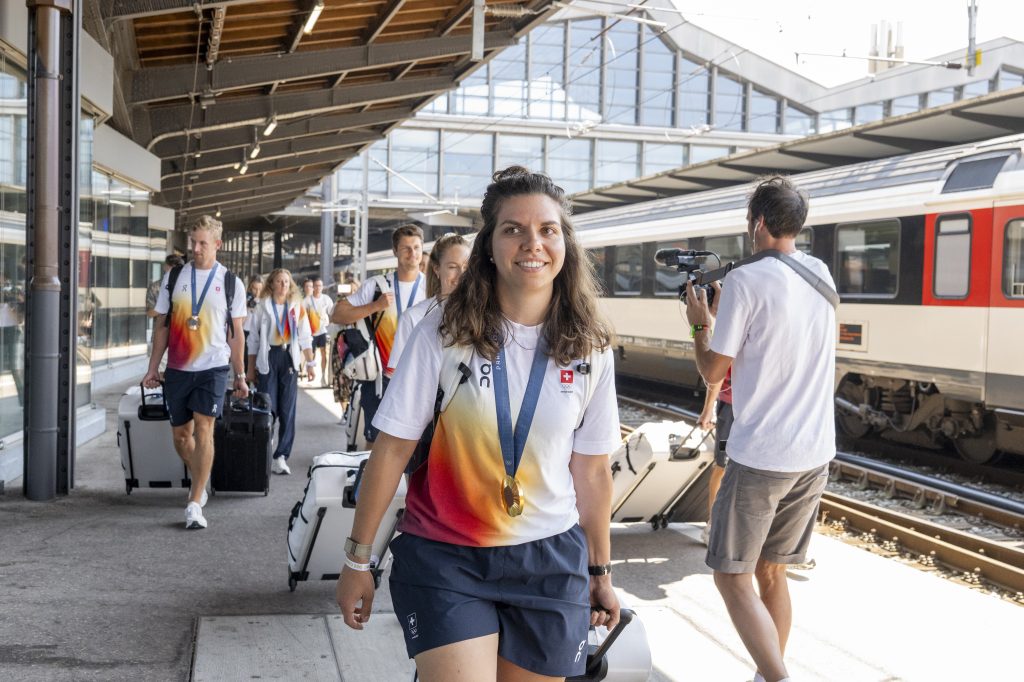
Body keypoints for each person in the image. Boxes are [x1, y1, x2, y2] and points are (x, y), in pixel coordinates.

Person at [335, 166, 622, 682]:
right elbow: (392, 450)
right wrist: (358, 560)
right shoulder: (443, 332)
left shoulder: (591, 348)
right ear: (489, 245)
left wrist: (599, 570)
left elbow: (593, 471)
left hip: (550, 562)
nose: (532, 243)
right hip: (449, 556)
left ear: (565, 244)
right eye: (513, 229)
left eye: (547, 230)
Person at [685, 175, 837, 682]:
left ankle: (777, 679)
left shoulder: (747, 282)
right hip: (814, 453)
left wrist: (699, 322)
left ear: (760, 224)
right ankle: (768, 673)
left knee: (731, 576)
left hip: (762, 455)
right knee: (773, 571)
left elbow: (712, 371)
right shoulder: (822, 274)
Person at [142, 215, 248, 530]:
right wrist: (152, 368)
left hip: (213, 367)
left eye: (203, 243)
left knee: (204, 429)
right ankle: (202, 471)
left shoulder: (231, 282)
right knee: (181, 436)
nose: (197, 249)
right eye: (193, 243)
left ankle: (194, 502)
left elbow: (236, 333)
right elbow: (161, 326)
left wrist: (240, 374)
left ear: (217, 244)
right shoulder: (174, 278)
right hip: (177, 368)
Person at [330, 224, 426, 447]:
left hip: (419, 378)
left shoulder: (432, 286)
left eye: (417, 248)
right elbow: (338, 314)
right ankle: (370, 481)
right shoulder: (377, 286)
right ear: (395, 251)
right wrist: (375, 306)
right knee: (375, 443)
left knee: (417, 446)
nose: (413, 254)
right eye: (406, 248)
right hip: (380, 379)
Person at [246, 268, 315, 475]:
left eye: (287, 281)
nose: (284, 285)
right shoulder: (261, 307)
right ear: (272, 284)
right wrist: (250, 369)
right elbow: (253, 341)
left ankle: (281, 456)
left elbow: (305, 337)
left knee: (287, 409)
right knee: (268, 406)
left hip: (288, 360)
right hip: (268, 358)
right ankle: (265, 445)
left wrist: (310, 364)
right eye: (279, 281)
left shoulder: (297, 307)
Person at [386, 232, 470, 375]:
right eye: (452, 267)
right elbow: (396, 375)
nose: (461, 274)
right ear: (437, 269)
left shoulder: (485, 313)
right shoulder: (413, 317)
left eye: (467, 266)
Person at [697, 361, 732, 546]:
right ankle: (713, 525)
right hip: (731, 408)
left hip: (757, 407)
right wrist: (708, 410)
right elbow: (717, 371)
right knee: (723, 465)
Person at [303, 276, 335, 387]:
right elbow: (301, 315)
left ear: (322, 287)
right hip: (311, 333)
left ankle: (322, 377)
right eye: (316, 286)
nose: (318, 288)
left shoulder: (327, 299)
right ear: (313, 287)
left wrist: (329, 322)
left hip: (323, 331)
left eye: (320, 285)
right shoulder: (307, 300)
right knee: (311, 354)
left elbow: (332, 313)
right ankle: (310, 373)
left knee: (323, 353)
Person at [146, 254, 185, 318]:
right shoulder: (155, 287)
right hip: (165, 326)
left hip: (177, 325)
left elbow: (150, 313)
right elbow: (150, 313)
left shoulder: (187, 285)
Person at [242, 274, 263, 374]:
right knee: (246, 361)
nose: (257, 292)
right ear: (250, 287)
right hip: (246, 332)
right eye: (255, 288)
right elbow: (241, 321)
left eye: (260, 289)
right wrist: (246, 307)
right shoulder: (245, 299)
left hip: (260, 334)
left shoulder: (265, 301)